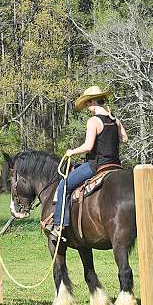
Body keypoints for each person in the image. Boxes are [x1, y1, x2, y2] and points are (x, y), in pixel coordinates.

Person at [50, 86, 128, 240]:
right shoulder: (114, 119)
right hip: (116, 165)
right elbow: (124, 139)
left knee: (64, 186)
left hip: (96, 165)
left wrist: (71, 152)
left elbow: (88, 146)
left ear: (93, 101)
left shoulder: (94, 121)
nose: (87, 106)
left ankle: (59, 225)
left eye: (87, 103)